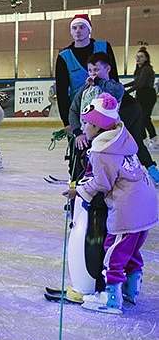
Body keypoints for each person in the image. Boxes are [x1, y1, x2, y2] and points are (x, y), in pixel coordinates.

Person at [64, 93, 158, 315]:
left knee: (113, 251)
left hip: (128, 209)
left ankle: (112, 299)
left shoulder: (100, 150)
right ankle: (131, 289)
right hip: (147, 201)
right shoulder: (121, 138)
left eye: (87, 123)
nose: (83, 126)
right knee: (131, 249)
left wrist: (77, 191)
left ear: (98, 127)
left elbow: (102, 183)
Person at [56, 14, 119, 137]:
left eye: (82, 27)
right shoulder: (64, 56)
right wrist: (67, 121)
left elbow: (114, 77)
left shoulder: (104, 46)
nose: (78, 31)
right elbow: (61, 91)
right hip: (80, 109)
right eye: (74, 28)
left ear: (89, 29)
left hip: (105, 107)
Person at [68, 52, 125, 180]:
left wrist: (98, 81)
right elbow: (73, 110)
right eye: (90, 70)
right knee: (82, 165)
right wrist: (78, 132)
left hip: (107, 140)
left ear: (108, 69)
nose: (93, 74)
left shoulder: (113, 87)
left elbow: (117, 91)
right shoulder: (85, 90)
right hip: (86, 137)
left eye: (97, 70)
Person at [124, 48, 157, 150]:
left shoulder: (147, 69)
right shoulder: (139, 69)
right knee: (143, 117)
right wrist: (123, 87)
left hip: (147, 94)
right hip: (142, 94)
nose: (138, 58)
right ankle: (148, 139)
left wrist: (125, 92)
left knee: (144, 117)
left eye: (141, 56)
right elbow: (135, 82)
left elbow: (139, 84)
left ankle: (150, 139)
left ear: (146, 58)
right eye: (137, 56)